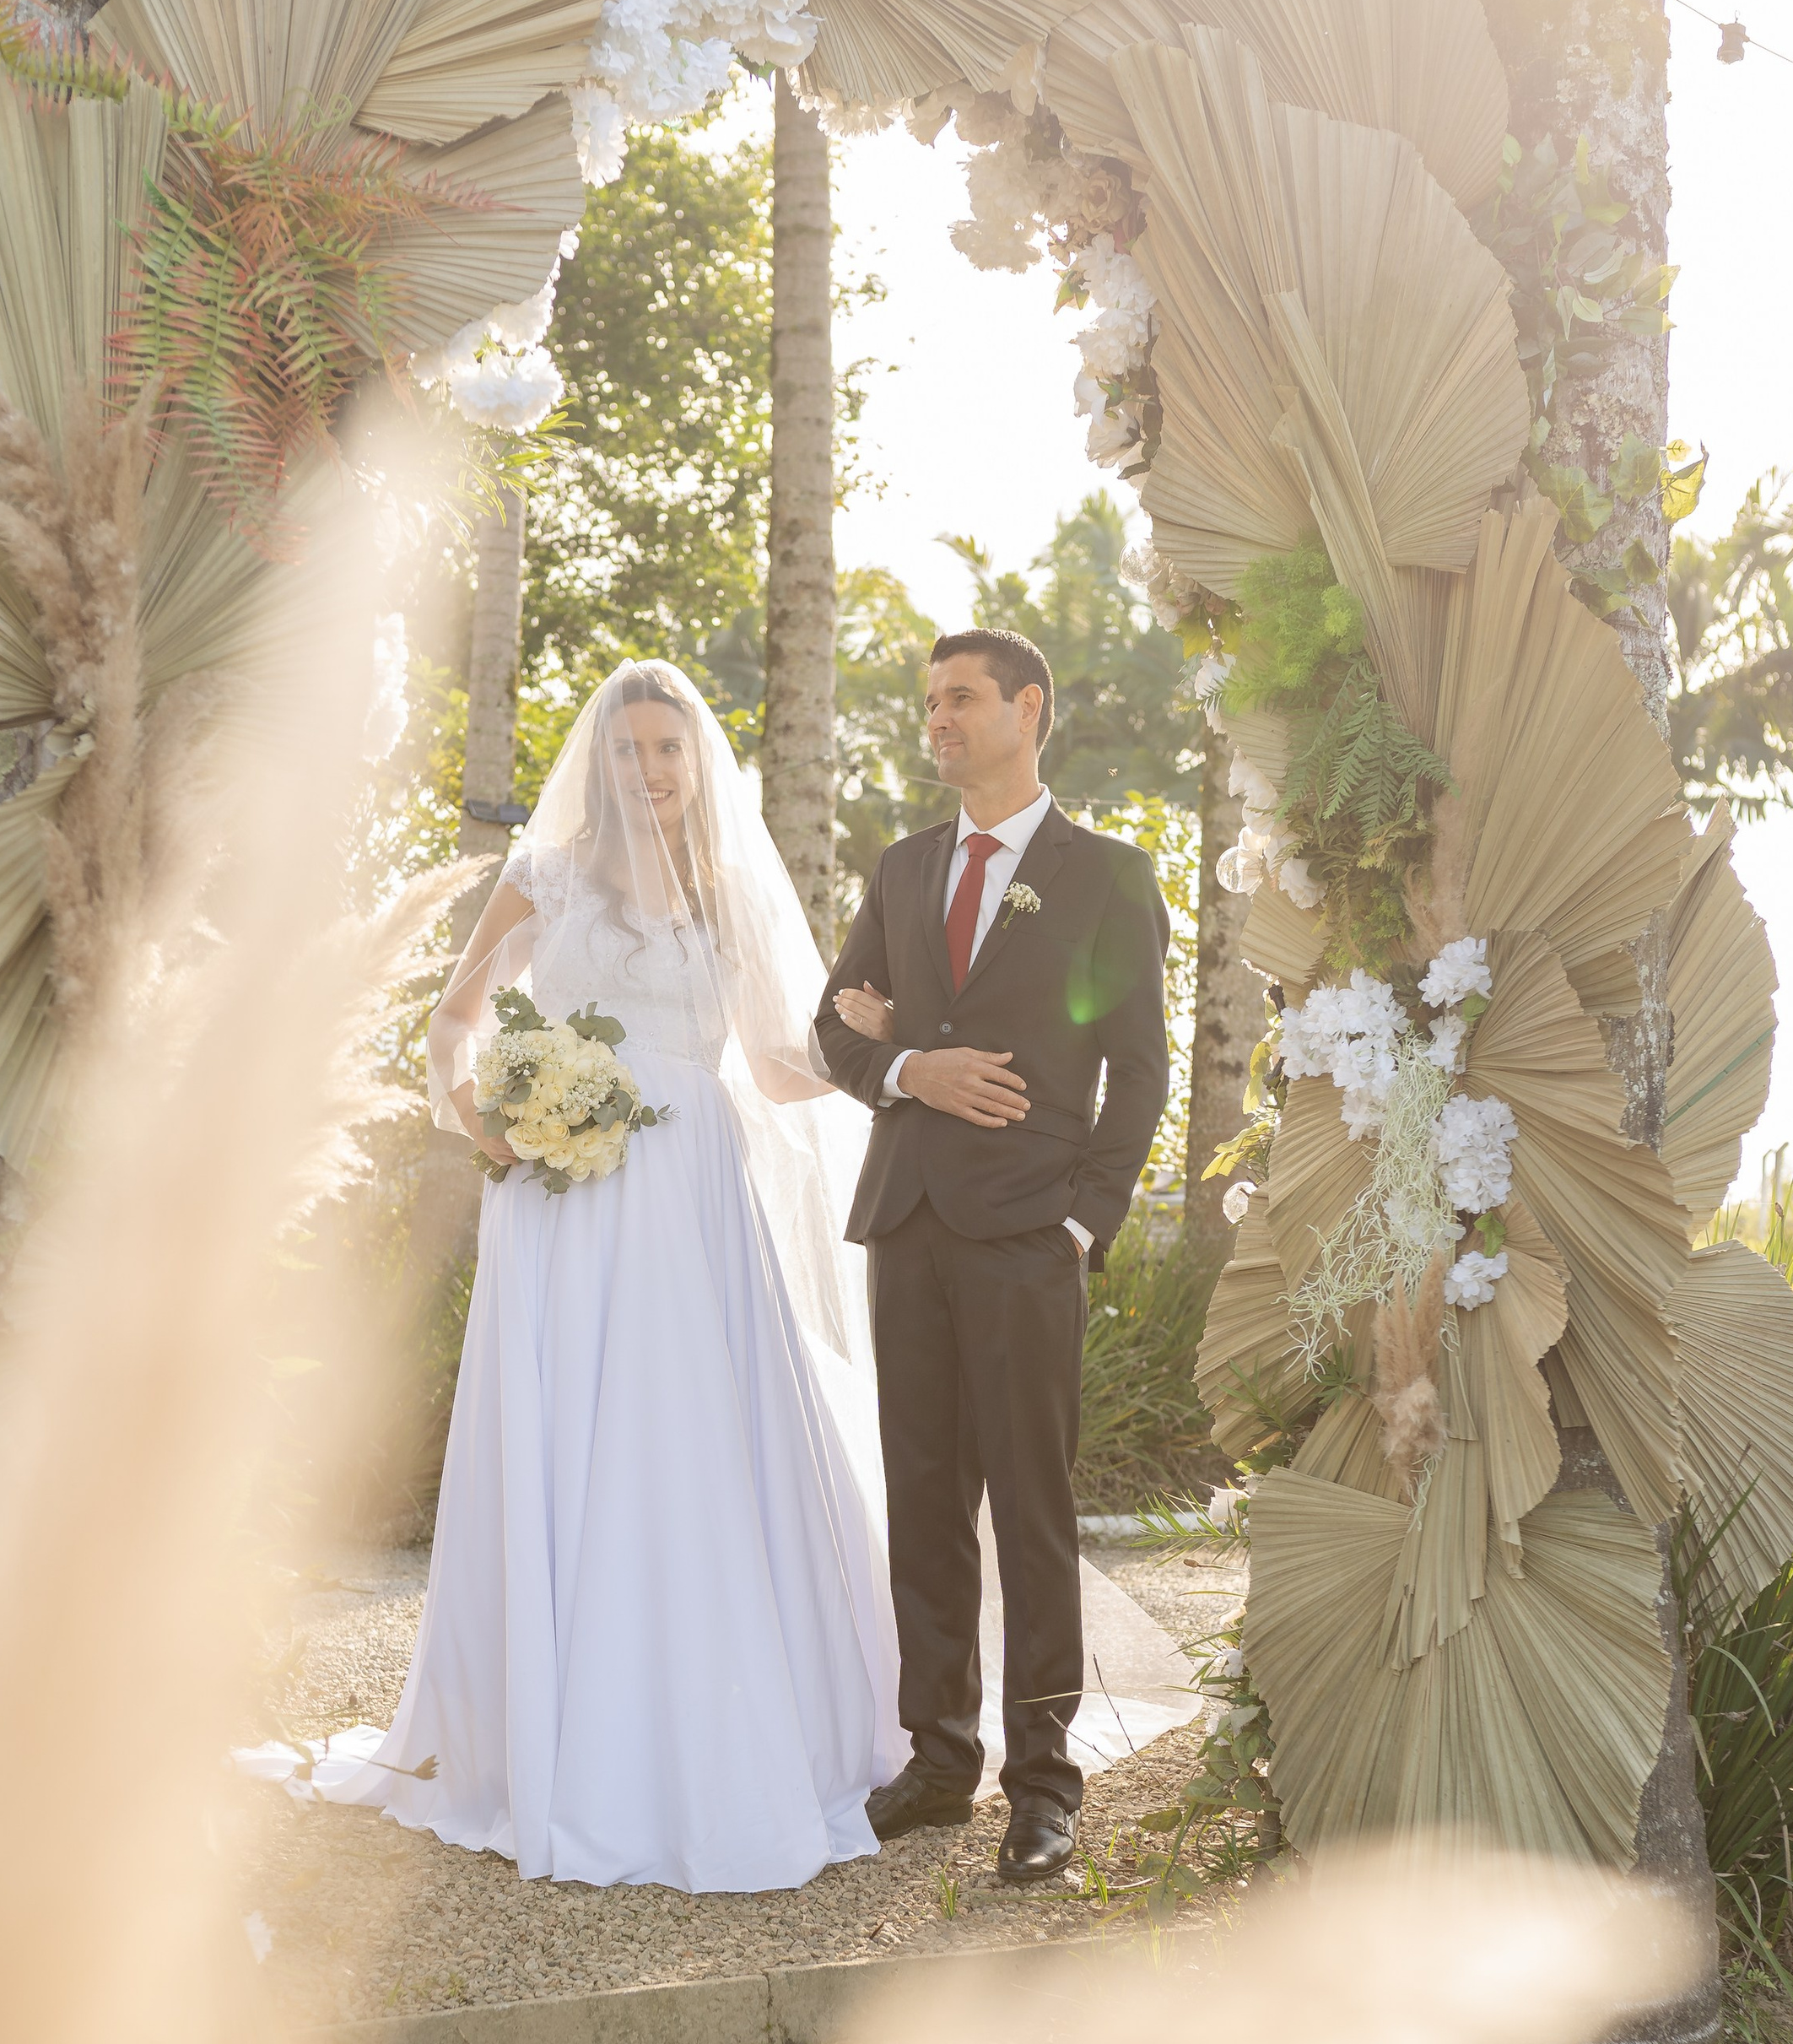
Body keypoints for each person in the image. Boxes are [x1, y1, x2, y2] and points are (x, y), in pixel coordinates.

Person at [329, 661, 901, 1893]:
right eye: (628, 749)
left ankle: (716, 1714)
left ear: (699, 765)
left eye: (668, 750)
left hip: (696, 1190)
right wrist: (491, 1125)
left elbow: (774, 1061)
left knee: (695, 1434)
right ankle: (556, 1732)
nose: (648, 771)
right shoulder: (546, 876)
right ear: (599, 762)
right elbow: (454, 1018)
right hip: (567, 1200)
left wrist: (886, 1057)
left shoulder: (730, 894)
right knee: (573, 1434)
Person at [814, 630, 1170, 1888]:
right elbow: (832, 1027)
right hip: (907, 1221)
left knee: (1032, 1505)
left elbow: (1143, 1067)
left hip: (1030, 1237)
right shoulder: (904, 872)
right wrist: (912, 1066)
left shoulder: (1109, 877)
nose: (939, 720)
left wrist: (1086, 1220)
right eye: (929, 702)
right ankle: (937, 1758)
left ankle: (1044, 1785)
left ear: (1030, 706)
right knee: (924, 1501)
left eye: (961, 699)